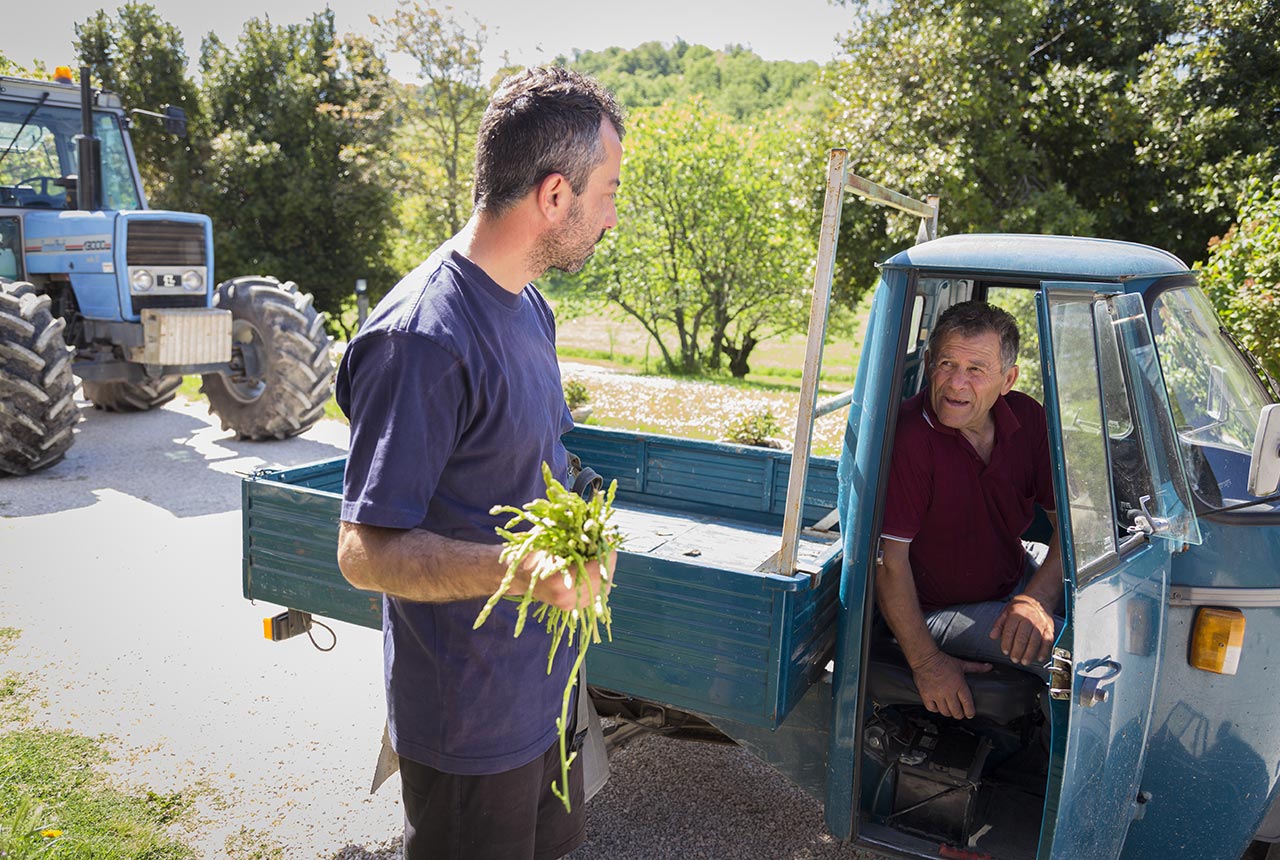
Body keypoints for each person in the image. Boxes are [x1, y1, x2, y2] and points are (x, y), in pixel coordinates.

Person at [334, 66, 624, 860]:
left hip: (543, 693)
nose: (611, 217)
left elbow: (537, 463)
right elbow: (363, 551)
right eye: (608, 193)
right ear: (556, 195)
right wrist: (525, 572)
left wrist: (584, 525)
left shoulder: (529, 304)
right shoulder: (422, 337)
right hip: (466, 718)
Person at [876, 300, 1064, 721]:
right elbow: (888, 564)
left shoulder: (1027, 418)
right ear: (928, 364)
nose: (956, 383)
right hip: (938, 611)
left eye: (976, 369)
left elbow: (1069, 529)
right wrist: (927, 664)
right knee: (1079, 659)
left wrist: (1036, 598)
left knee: (1115, 615)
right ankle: (1064, 783)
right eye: (947, 363)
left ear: (1007, 379)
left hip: (1011, 576)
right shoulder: (911, 437)